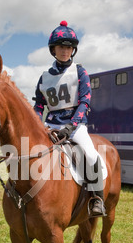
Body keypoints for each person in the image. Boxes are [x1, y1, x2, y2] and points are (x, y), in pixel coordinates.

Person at [33, 20, 106, 217]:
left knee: (91, 156)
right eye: (60, 47)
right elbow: (39, 106)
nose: (64, 51)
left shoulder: (80, 72)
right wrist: (39, 125)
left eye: (68, 47)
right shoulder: (44, 77)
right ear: (53, 50)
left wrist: (71, 126)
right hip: (50, 126)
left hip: (75, 125)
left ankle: (96, 199)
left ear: (72, 50)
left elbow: (85, 102)